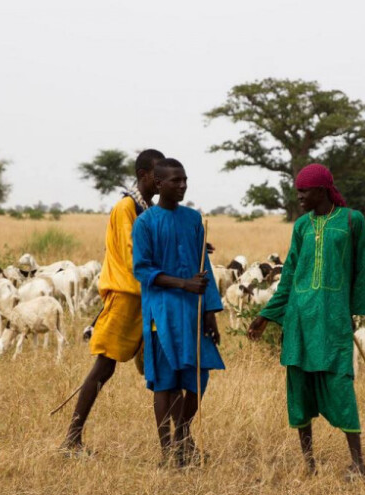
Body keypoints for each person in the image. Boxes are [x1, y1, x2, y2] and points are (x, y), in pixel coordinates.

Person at [247, 163, 365, 480]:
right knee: (299, 388)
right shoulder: (302, 226)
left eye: (304, 191)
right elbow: (289, 274)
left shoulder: (351, 221)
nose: (299, 196)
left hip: (333, 320)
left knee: (340, 384)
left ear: (322, 190)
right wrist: (266, 315)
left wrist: (356, 311)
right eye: (298, 191)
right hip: (299, 320)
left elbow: (362, 266)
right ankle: (309, 463)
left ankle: (358, 464)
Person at [60, 148, 166, 454]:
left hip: (146, 295)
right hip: (126, 296)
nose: (162, 180)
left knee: (162, 369)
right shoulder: (126, 208)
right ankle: (72, 439)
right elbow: (134, 254)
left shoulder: (146, 208)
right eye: (157, 175)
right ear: (143, 175)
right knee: (104, 367)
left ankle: (177, 444)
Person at [131, 158, 224, 467]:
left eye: (185, 180)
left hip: (194, 312)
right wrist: (183, 284)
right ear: (159, 185)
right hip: (162, 314)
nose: (183, 185)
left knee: (197, 380)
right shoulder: (145, 223)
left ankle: (183, 433)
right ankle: (167, 450)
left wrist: (210, 311)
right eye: (176, 181)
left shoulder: (193, 219)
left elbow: (203, 266)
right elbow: (143, 270)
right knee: (166, 384)